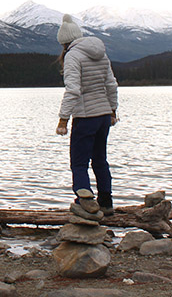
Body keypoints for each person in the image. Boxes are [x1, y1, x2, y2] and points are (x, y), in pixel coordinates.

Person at [55, 13, 119, 215]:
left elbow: (73, 90)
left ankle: (85, 201)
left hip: (85, 117)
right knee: (100, 159)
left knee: (79, 162)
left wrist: (63, 120)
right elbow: (111, 84)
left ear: (64, 42)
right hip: (103, 116)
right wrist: (113, 110)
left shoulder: (73, 55)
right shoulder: (101, 53)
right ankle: (106, 203)